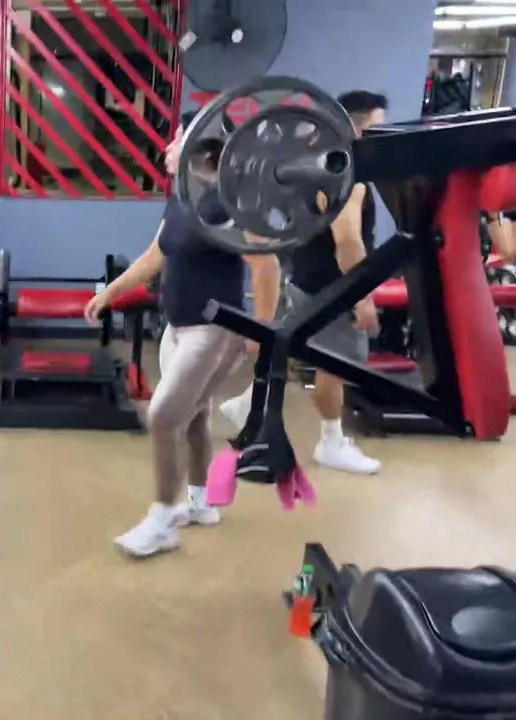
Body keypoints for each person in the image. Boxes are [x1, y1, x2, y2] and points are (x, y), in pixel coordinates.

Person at [84, 123, 282, 558]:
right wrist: (109, 293)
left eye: (177, 138)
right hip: (177, 327)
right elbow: (154, 257)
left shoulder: (233, 201)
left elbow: (266, 265)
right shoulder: (182, 198)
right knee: (194, 417)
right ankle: (199, 503)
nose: (168, 146)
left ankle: (162, 520)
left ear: (203, 149)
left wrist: (262, 331)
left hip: (215, 329)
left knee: (163, 417)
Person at [220, 90, 387, 476]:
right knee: (338, 365)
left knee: (294, 348)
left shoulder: (311, 165)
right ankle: (331, 442)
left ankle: (247, 402)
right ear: (357, 126)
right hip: (334, 288)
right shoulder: (349, 176)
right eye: (378, 126)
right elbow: (347, 240)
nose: (384, 133)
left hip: (305, 278)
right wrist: (361, 297)